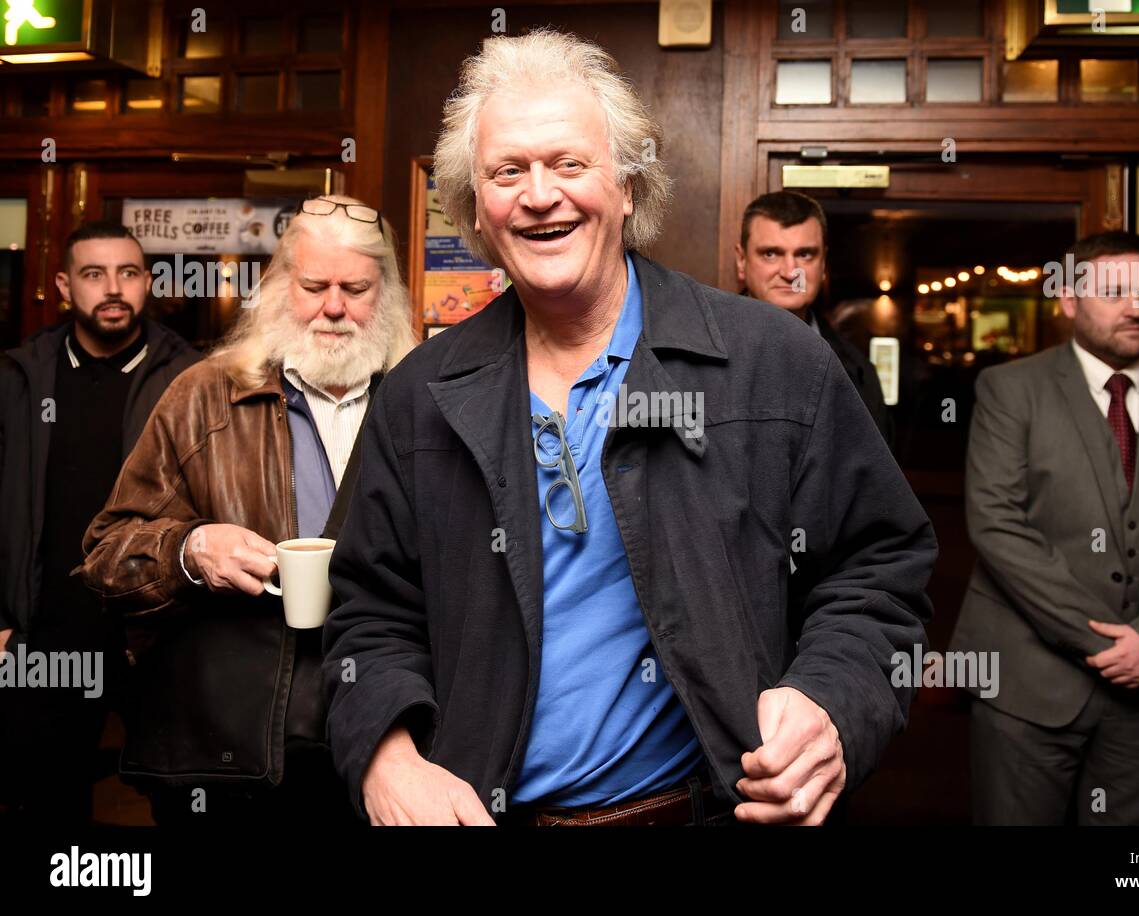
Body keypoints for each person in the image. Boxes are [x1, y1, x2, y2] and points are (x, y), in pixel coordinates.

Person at [324, 29, 936, 827]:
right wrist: (387, 756)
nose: (539, 194)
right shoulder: (418, 396)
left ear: (627, 187)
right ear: (476, 207)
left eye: (569, 164)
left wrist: (831, 702)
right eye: (508, 171)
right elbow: (366, 612)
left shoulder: (772, 363)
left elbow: (880, 568)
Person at [79, 196, 416, 824]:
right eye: (313, 285)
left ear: (388, 293)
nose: (333, 307)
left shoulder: (424, 399)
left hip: (380, 741)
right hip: (224, 755)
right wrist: (189, 550)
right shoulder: (202, 395)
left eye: (356, 288)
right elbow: (105, 553)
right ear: (280, 286)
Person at [952, 230, 1139, 825]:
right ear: (1067, 299)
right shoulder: (1010, 391)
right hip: (1027, 688)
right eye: (1114, 291)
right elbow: (997, 525)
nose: (1134, 306)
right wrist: (1108, 644)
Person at [0, 222, 199, 822]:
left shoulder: (189, 377)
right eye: (94, 274)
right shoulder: (18, 377)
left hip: (158, 634)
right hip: (46, 634)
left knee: (181, 798)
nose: (113, 288)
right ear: (64, 285)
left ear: (147, 283)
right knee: (46, 800)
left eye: (128, 273)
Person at [734, 191, 893, 446]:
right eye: (771, 254)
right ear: (741, 261)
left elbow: (873, 479)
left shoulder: (857, 370)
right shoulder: (704, 353)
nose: (789, 272)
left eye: (805, 254)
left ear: (823, 265)